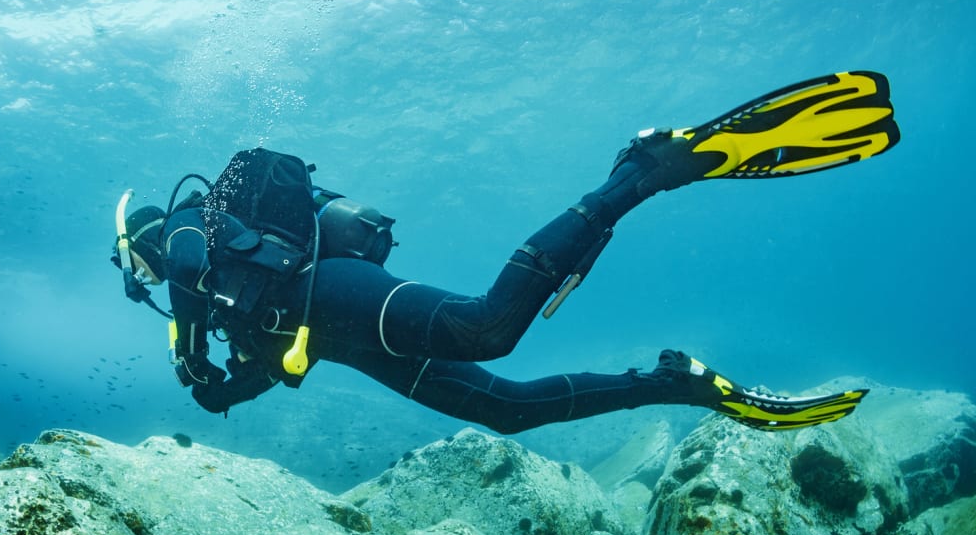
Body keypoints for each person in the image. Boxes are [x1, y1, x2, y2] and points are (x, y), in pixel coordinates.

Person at [113, 71, 898, 433]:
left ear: (134, 243)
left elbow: (181, 268)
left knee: (486, 327)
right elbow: (276, 357)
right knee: (504, 410)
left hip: (336, 289)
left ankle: (642, 172)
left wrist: (186, 353)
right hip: (339, 333)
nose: (136, 278)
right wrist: (224, 392)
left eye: (129, 265)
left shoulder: (184, 225)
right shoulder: (225, 290)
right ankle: (673, 383)